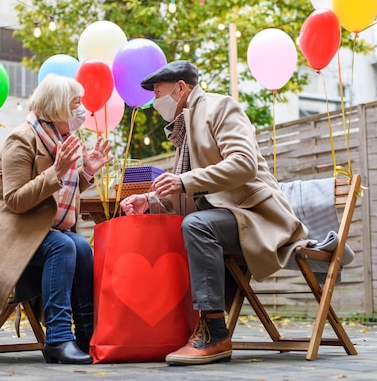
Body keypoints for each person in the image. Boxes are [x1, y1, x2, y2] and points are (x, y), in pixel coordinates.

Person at [120, 60, 308, 366]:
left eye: (158, 91)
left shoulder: (221, 107)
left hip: (256, 215)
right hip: (224, 217)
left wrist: (182, 181)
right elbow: (193, 194)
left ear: (181, 87)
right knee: (188, 226)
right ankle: (186, 326)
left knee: (196, 226)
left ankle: (215, 333)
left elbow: (243, 164)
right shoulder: (184, 129)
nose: (155, 100)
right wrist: (151, 201)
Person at [0, 74, 112, 365]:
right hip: (5, 231)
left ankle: (87, 335)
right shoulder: (22, 138)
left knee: (80, 245)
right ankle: (57, 339)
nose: (82, 110)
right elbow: (15, 200)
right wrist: (57, 171)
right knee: (63, 246)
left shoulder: (61, 140)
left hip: (36, 228)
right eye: (76, 103)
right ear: (57, 107)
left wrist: (86, 173)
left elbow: (57, 193)